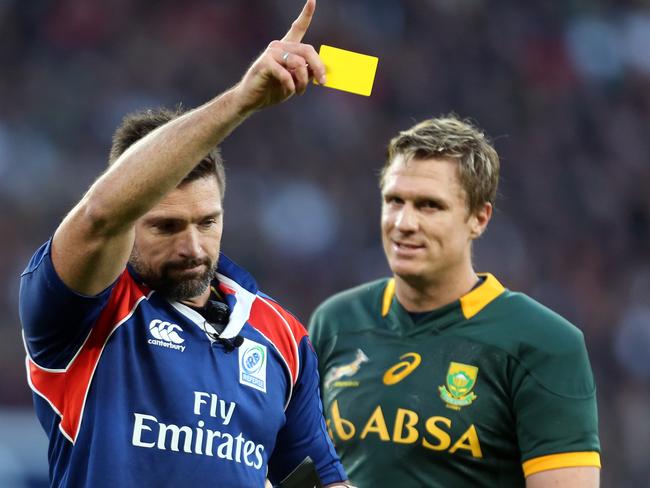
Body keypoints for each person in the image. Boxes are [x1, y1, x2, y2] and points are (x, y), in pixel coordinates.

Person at [19, 1, 352, 486]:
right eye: (166, 226)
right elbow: (100, 216)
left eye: (207, 222)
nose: (193, 247)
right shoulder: (80, 310)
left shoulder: (282, 338)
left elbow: (323, 479)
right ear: (132, 221)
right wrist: (242, 100)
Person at [308, 116, 601, 487]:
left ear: (479, 218)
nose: (403, 222)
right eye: (394, 200)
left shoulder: (545, 344)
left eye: (429, 206)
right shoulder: (337, 322)